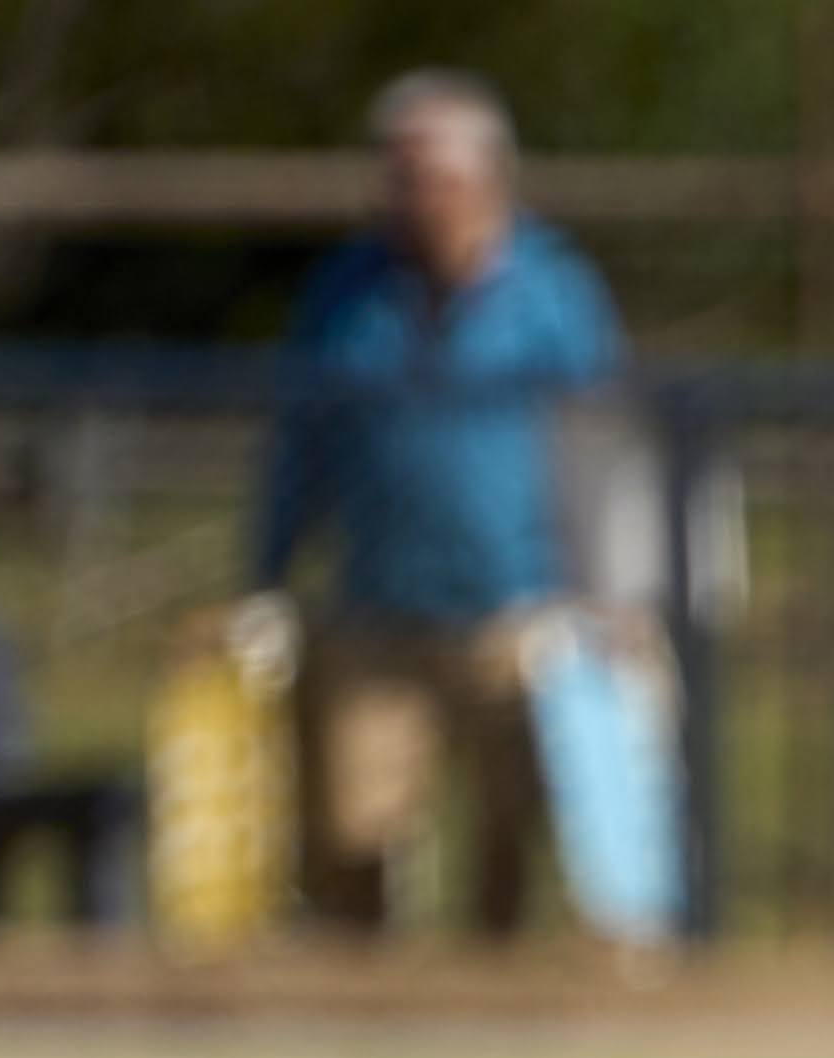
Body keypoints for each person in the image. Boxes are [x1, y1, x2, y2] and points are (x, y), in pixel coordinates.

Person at [249, 71, 625, 940]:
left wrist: (612, 594)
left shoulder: (554, 294)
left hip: (521, 615)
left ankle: (496, 1027)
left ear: (484, 179)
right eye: (395, 173)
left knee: (514, 836)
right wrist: (264, 574)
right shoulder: (345, 293)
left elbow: (604, 452)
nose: (407, 196)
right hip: (377, 610)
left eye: (426, 175)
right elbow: (298, 448)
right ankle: (360, 1024)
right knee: (350, 835)